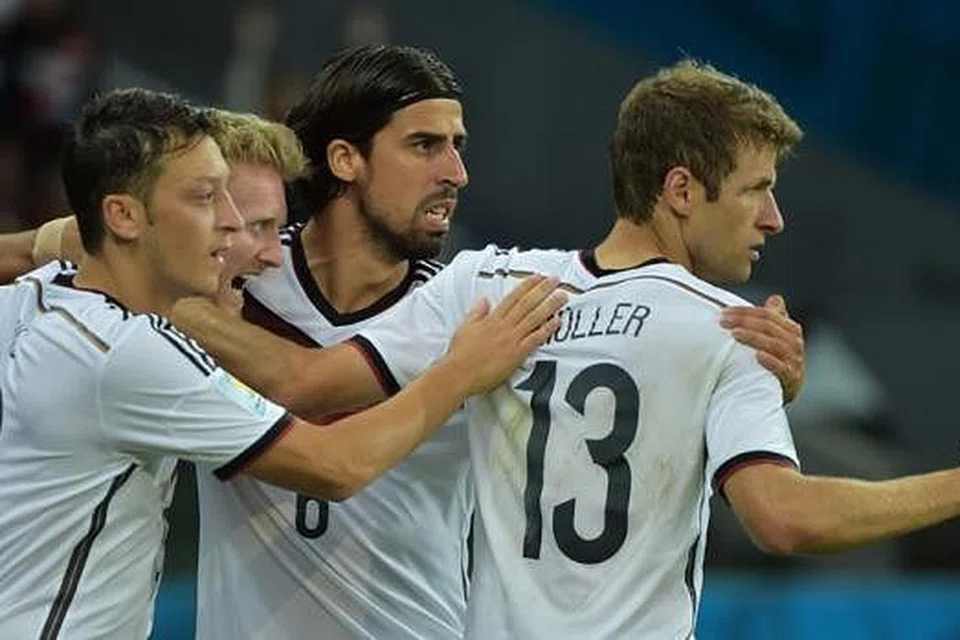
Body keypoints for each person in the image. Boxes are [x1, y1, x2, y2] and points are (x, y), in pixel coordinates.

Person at [170, 59, 960, 638]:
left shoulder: (488, 285)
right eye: (758, 188)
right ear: (681, 190)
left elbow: (304, 382)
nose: (774, 218)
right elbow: (784, 519)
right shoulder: (730, 329)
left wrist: (160, 294)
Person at [0, 87, 563, 638]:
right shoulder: (131, 353)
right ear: (123, 216)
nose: (230, 227)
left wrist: (56, 244)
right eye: (206, 200)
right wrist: (461, 371)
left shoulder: (35, 300)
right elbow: (333, 464)